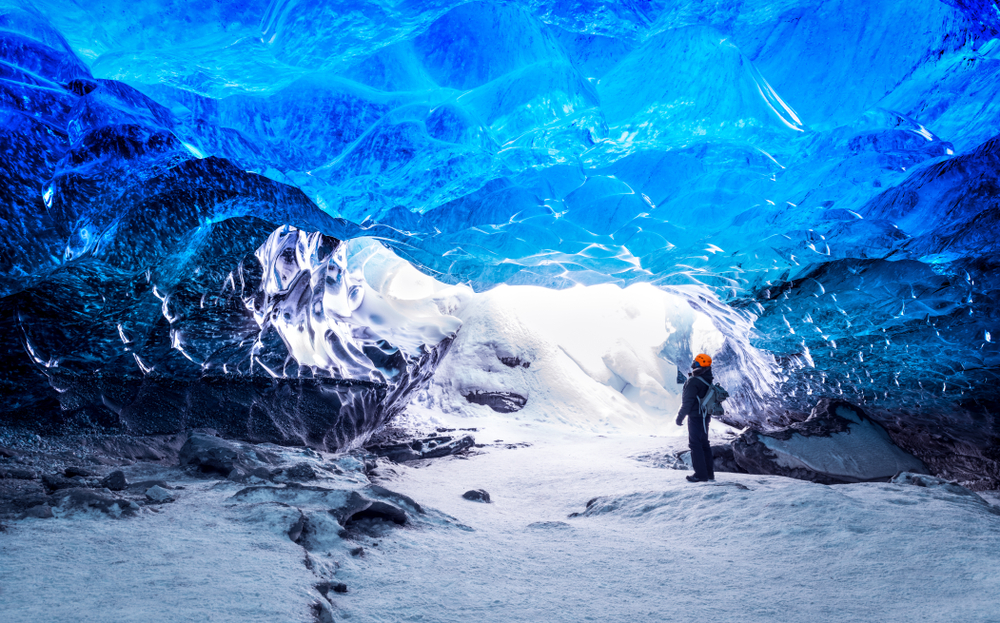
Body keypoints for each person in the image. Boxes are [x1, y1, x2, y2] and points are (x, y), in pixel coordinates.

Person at [676, 353, 715, 483]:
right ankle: (709, 474)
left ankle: (700, 475)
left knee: (695, 444)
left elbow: (688, 402)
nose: (693, 363)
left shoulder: (694, 381)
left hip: (696, 417)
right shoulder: (707, 378)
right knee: (704, 443)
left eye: (695, 361)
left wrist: (680, 417)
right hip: (705, 415)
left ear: (698, 364)